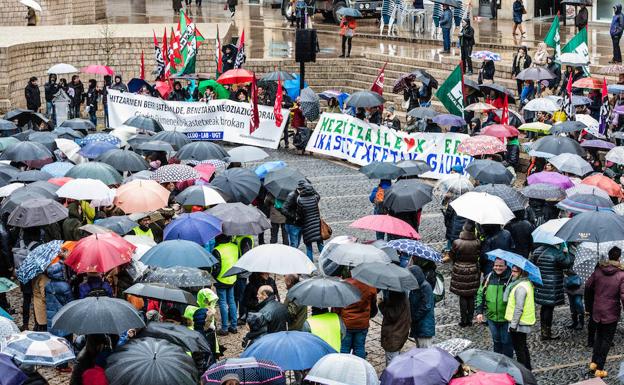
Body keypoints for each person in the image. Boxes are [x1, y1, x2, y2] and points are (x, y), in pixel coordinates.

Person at [585, 246, 624, 378]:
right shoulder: (621, 275)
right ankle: (599, 368)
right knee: (606, 340)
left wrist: (590, 305)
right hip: (611, 312)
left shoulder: (598, 270)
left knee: (599, 337)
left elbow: (588, 286)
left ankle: (594, 363)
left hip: (597, 310)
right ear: (619, 257)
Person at [532, 243, 571, 341]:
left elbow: (532, 264)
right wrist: (566, 253)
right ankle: (546, 333)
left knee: (544, 307)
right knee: (549, 308)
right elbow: (567, 263)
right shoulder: (556, 253)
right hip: (551, 284)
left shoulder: (537, 250)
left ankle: (544, 331)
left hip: (540, 283)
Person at [476, 257, 513, 357]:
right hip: (491, 318)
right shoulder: (488, 277)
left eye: (501, 266)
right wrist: (479, 312)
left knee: (506, 342)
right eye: (496, 265)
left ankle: (508, 365)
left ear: (506, 267)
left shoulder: (510, 279)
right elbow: (480, 293)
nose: (498, 268)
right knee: (496, 341)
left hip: (506, 319)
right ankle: (498, 365)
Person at [335, 274, 378, 358]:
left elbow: (338, 306)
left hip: (346, 323)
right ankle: (359, 367)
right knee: (359, 347)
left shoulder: (345, 284)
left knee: (344, 348)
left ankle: (343, 367)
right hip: (362, 323)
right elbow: (373, 304)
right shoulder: (370, 286)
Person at [449, 221, 481, 327]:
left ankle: (463, 320)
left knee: (462, 296)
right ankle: (470, 320)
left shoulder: (457, 243)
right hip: (473, 270)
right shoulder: (477, 242)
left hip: (460, 270)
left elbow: (451, 255)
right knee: (471, 295)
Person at [504, 265, 536, 370]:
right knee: (523, 347)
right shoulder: (526, 283)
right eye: (512, 271)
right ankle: (528, 368)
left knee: (519, 349)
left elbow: (519, 307)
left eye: (515, 272)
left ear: (521, 273)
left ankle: (523, 371)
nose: (512, 273)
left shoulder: (520, 287)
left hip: (518, 323)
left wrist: (513, 325)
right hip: (522, 322)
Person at [211, 234, 239, 336]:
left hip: (221, 279)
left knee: (222, 303)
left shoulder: (217, 250)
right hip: (232, 277)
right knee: (231, 301)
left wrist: (213, 277)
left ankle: (224, 328)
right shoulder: (234, 246)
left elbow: (216, 268)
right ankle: (234, 326)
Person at [379, 290, 411, 366]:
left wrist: (381, 304)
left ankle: (390, 378)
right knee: (395, 360)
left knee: (391, 363)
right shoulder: (401, 293)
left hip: (394, 334)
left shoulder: (396, 295)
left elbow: (391, 315)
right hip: (400, 332)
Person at [408, 265, 435, 348]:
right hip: (418, 326)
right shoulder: (416, 287)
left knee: (425, 353)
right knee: (419, 351)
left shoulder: (425, 287)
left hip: (424, 327)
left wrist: (414, 317)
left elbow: (426, 306)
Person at [296, 183, 323, 260]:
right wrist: (313, 189)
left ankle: (310, 265)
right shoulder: (315, 198)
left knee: (309, 248)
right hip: (317, 225)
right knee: (320, 245)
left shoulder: (300, 200)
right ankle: (325, 261)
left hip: (306, 226)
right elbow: (318, 195)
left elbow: (300, 215)